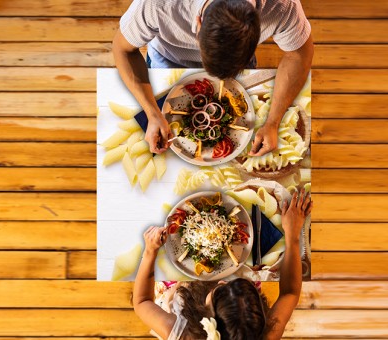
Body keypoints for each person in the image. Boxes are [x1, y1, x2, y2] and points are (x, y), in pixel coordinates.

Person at [113, 0, 314, 155]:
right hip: (168, 59)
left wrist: (273, 122)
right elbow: (122, 49)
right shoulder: (157, 4)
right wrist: (152, 114)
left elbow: (299, 54)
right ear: (198, 24)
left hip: (241, 67)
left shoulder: (282, 6)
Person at [133, 189, 312, 339]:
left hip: (183, 297)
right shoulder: (265, 335)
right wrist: (293, 235)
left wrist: (150, 251)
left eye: (221, 289)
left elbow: (142, 302)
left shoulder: (183, 334)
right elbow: (290, 293)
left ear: (208, 319)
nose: (223, 281)